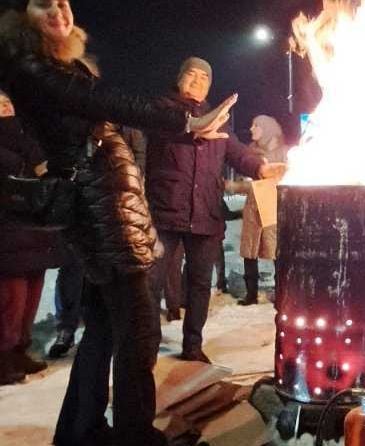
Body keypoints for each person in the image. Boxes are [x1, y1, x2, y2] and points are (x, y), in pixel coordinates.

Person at [0, 1, 281, 444]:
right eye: (43, 3)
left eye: (63, 2)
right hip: (100, 208)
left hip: (109, 204)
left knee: (106, 326)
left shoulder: (56, 66)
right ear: (24, 14)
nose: (58, 10)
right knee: (139, 325)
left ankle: (80, 430)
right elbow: (104, 101)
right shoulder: (31, 68)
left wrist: (199, 130)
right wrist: (185, 121)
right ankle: (134, 435)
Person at [146, 58, 274, 362]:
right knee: (151, 283)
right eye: (191, 74)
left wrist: (262, 168)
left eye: (205, 77)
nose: (198, 81)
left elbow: (237, 153)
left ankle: (193, 344)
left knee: (200, 284)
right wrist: (194, 128)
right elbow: (165, 131)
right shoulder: (161, 110)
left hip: (205, 213)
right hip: (166, 212)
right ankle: (146, 346)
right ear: (179, 78)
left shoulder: (218, 119)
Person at [0, 90, 62, 384]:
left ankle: (21, 349)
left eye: (8, 102)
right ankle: (3, 356)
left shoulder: (27, 137)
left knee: (32, 292)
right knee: (12, 297)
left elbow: (45, 172)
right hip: (8, 228)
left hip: (34, 226)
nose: (5, 107)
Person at [225, 115, 289, 306]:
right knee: (249, 251)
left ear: (268, 129)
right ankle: (251, 294)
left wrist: (236, 187)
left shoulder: (284, 153)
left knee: (277, 252)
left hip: (274, 207)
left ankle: (282, 294)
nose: (251, 129)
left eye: (256, 126)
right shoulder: (251, 152)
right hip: (254, 208)